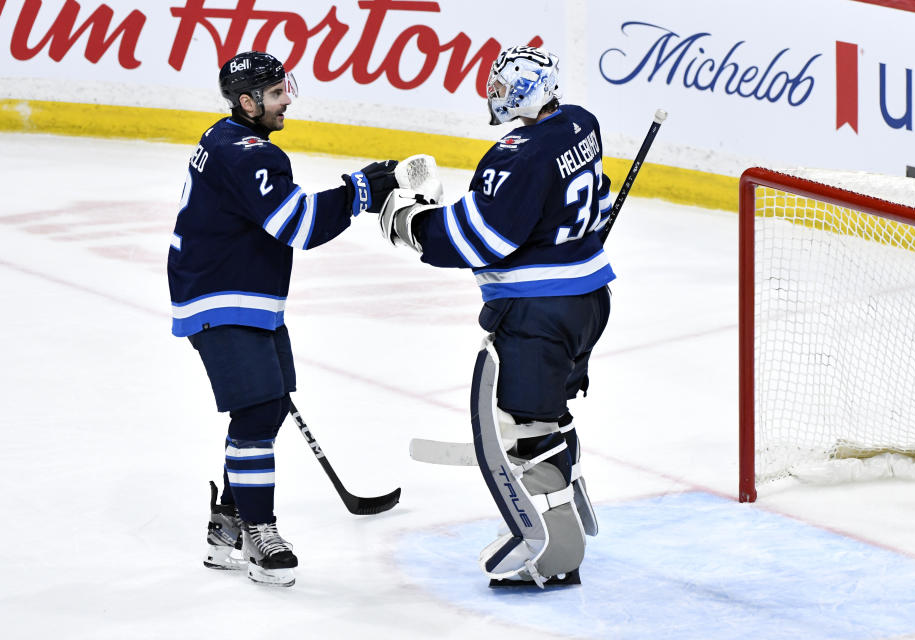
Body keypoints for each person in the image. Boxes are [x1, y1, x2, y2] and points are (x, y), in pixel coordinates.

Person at [378, 45, 614, 588]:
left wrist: (413, 225)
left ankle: (553, 549)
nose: (496, 93)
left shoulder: (516, 153)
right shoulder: (581, 123)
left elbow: (482, 237)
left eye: (505, 86)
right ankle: (566, 509)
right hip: (589, 301)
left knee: (521, 431)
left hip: (539, 313)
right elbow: (594, 204)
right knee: (548, 416)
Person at [167, 51, 397, 587]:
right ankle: (259, 532)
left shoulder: (226, 136)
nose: (286, 99)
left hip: (242, 291)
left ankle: (227, 524)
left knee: (267, 411)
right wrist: (361, 190)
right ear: (246, 103)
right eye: (274, 94)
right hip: (220, 297)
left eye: (284, 88)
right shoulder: (249, 155)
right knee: (259, 409)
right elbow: (298, 225)